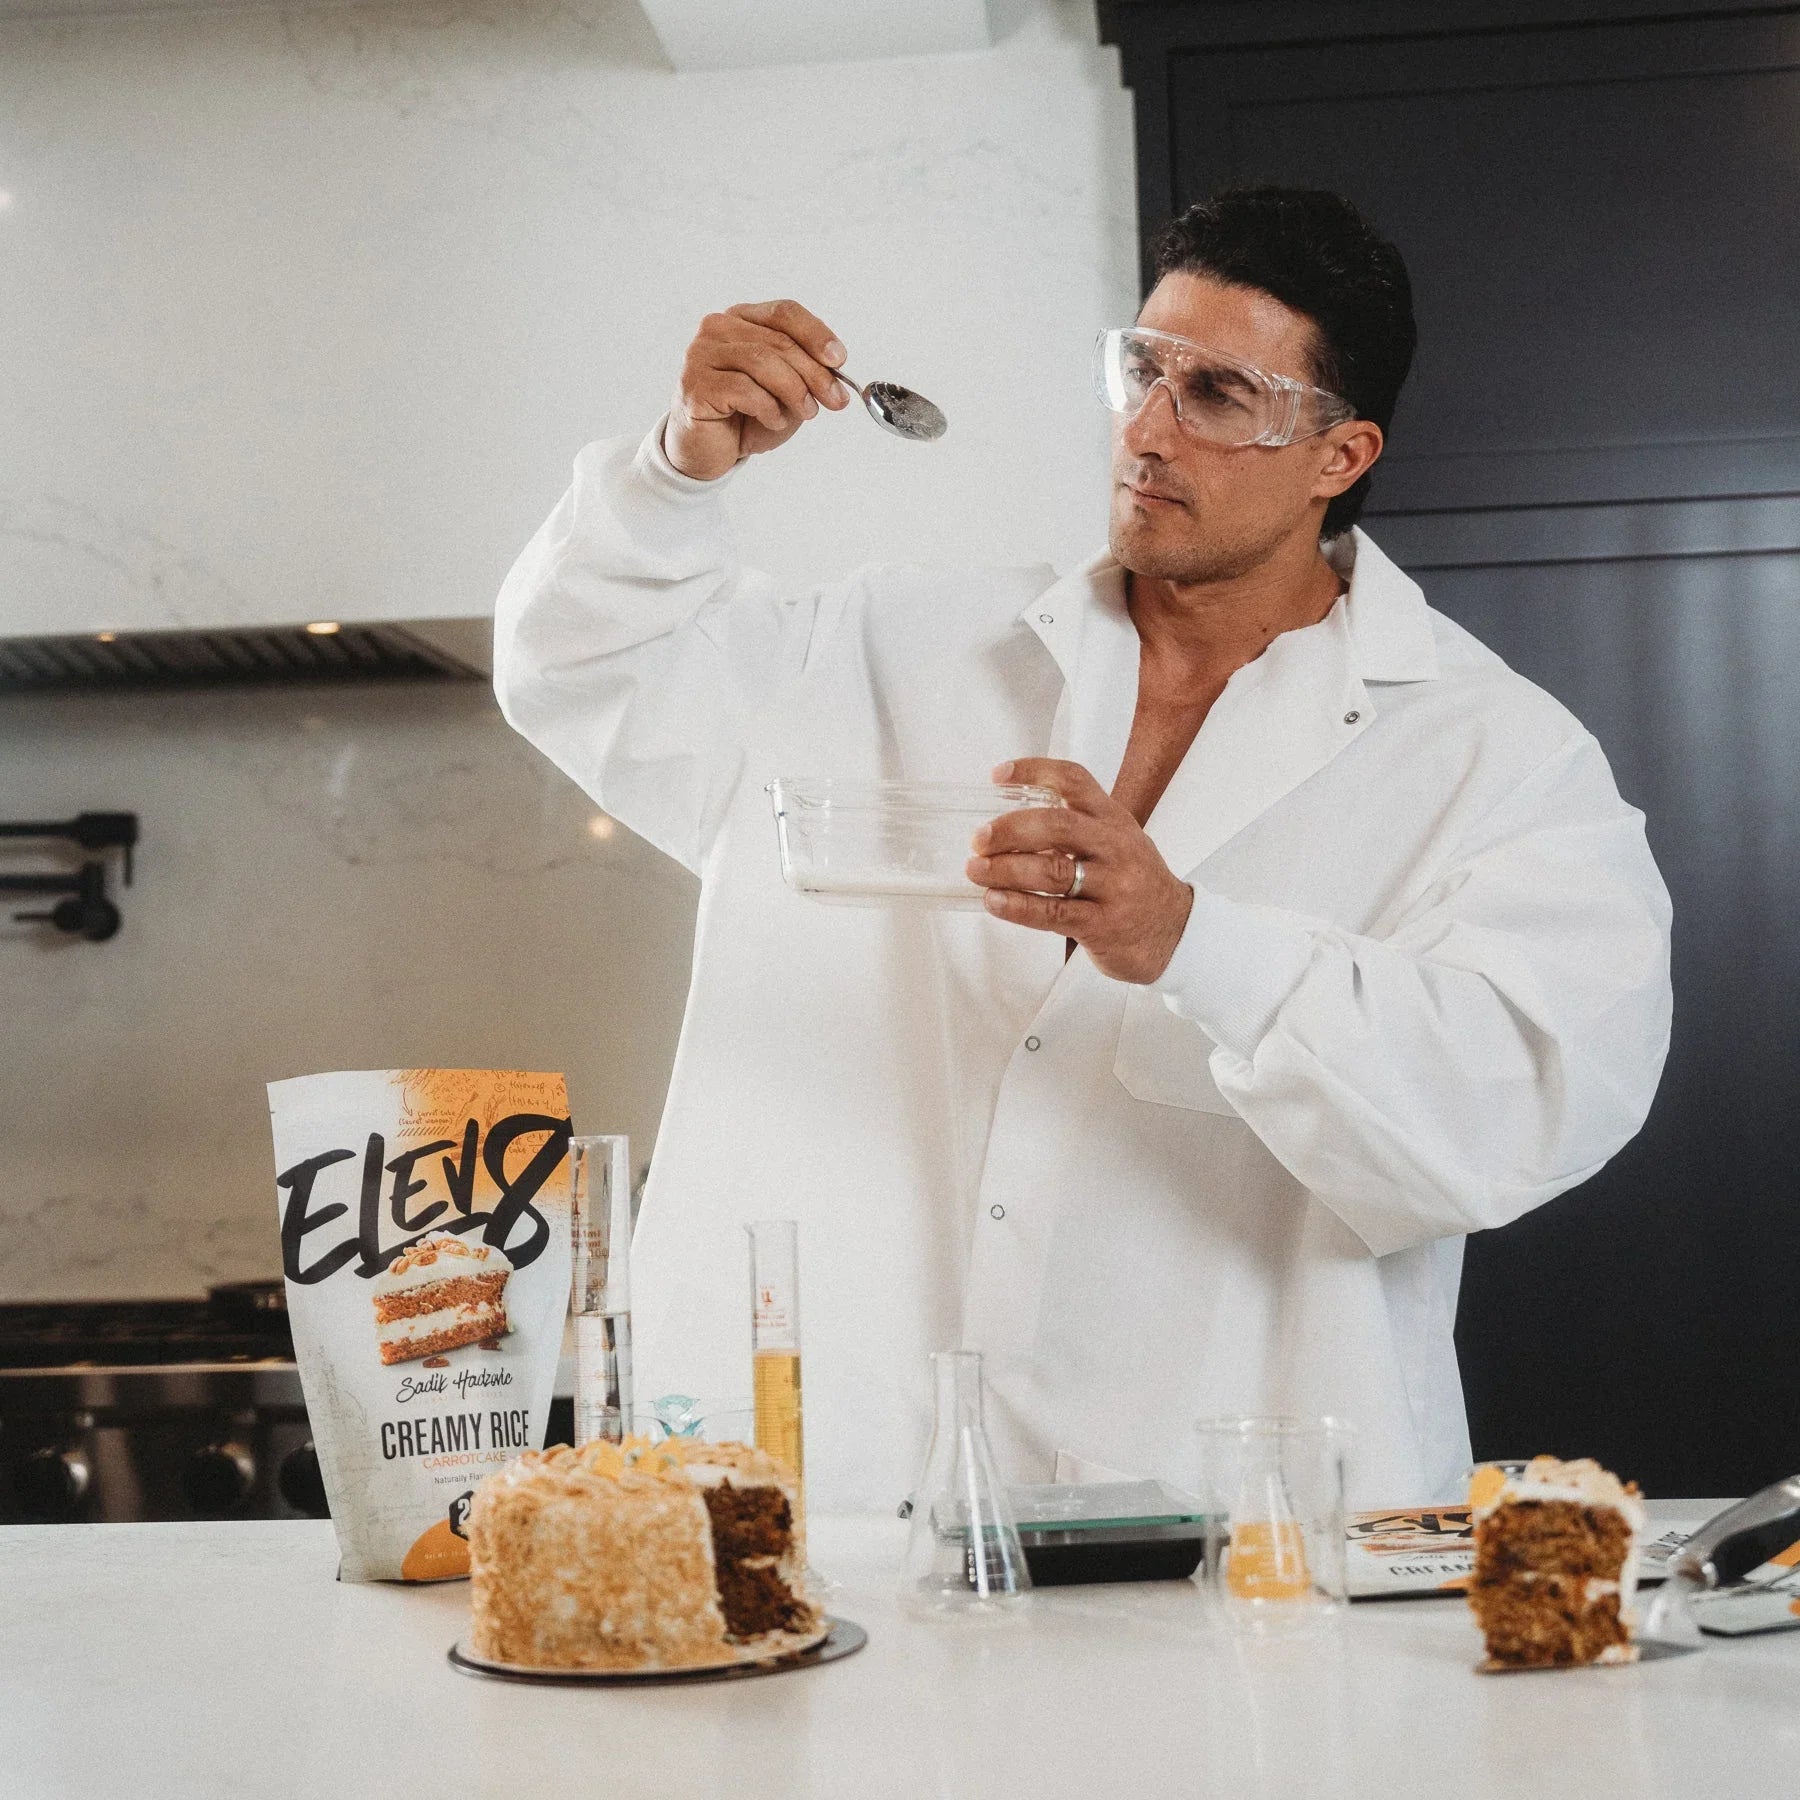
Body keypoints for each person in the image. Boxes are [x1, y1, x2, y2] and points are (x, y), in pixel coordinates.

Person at [493, 188, 1671, 1510]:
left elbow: (1518, 1104)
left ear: (1338, 457)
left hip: (1240, 1538)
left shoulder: (1492, 759)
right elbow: (583, 668)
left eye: (1218, 394)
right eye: (1142, 370)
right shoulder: (894, 649)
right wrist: (675, 469)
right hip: (833, 1520)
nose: (1148, 431)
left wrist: (1189, 942)